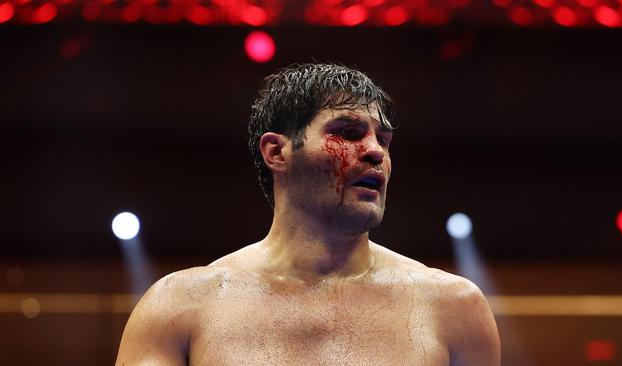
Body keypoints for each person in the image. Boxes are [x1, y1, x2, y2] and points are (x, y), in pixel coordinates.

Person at [115, 63, 500, 366]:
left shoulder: (453, 307)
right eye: (348, 132)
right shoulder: (180, 306)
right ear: (277, 152)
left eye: (383, 139)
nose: (376, 152)